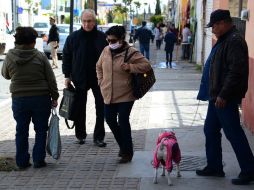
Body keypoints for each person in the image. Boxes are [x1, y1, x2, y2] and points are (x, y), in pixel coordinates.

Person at [196, 9, 254, 185]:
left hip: (224, 98)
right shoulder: (224, 39)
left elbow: (235, 71)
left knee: (233, 133)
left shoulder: (234, 41)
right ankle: (214, 166)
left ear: (222, 23)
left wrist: (223, 94)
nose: (212, 30)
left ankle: (249, 170)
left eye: (213, 26)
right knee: (210, 130)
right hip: (216, 96)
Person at [1, 27, 59, 169]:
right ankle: (39, 160)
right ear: (33, 42)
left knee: (21, 130)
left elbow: (5, 75)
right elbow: (51, 79)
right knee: (40, 130)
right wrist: (55, 96)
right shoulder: (40, 56)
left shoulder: (10, 56)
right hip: (41, 99)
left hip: (19, 99)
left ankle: (21, 161)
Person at [96, 25, 151, 163]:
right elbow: (98, 66)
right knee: (109, 119)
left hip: (126, 94)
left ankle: (127, 152)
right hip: (108, 93)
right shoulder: (106, 50)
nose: (110, 43)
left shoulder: (131, 52)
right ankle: (124, 146)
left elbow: (146, 65)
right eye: (108, 40)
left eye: (113, 41)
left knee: (123, 121)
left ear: (121, 39)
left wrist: (131, 67)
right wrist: (101, 81)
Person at [62, 9, 108, 147]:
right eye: (84, 21)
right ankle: (80, 135)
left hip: (99, 78)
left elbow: (109, 58)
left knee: (101, 107)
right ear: (81, 21)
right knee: (79, 107)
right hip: (79, 77)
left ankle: (99, 137)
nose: (87, 24)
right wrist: (67, 76)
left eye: (90, 21)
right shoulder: (73, 37)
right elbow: (66, 56)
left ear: (94, 21)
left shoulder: (102, 37)